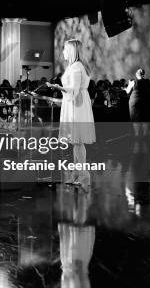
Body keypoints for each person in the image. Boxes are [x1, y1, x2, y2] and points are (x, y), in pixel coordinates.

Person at [47, 39, 95, 188]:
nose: (63, 52)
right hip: (78, 103)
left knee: (78, 141)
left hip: (77, 105)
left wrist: (57, 87)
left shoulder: (76, 67)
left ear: (73, 51)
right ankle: (76, 172)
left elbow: (73, 91)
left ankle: (83, 173)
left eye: (65, 49)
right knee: (76, 141)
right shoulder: (78, 66)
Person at [125, 68, 150, 134]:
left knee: (135, 118)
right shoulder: (148, 82)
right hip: (145, 101)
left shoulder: (133, 82)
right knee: (144, 118)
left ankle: (137, 134)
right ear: (143, 74)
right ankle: (144, 135)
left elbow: (127, 91)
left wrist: (129, 84)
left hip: (135, 102)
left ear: (137, 74)